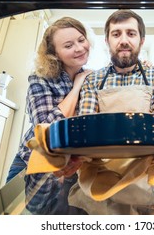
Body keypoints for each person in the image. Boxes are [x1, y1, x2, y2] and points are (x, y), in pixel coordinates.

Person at [78, 9, 154, 177]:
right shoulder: (92, 81)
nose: (124, 41)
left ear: (141, 41)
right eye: (116, 34)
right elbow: (87, 133)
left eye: (131, 34)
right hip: (102, 176)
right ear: (107, 41)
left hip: (150, 174)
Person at [6, 16, 91, 214]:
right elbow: (47, 130)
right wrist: (77, 86)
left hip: (72, 168)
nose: (79, 48)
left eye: (81, 39)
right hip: (33, 164)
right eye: (68, 45)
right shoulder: (41, 79)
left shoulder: (92, 78)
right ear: (55, 54)